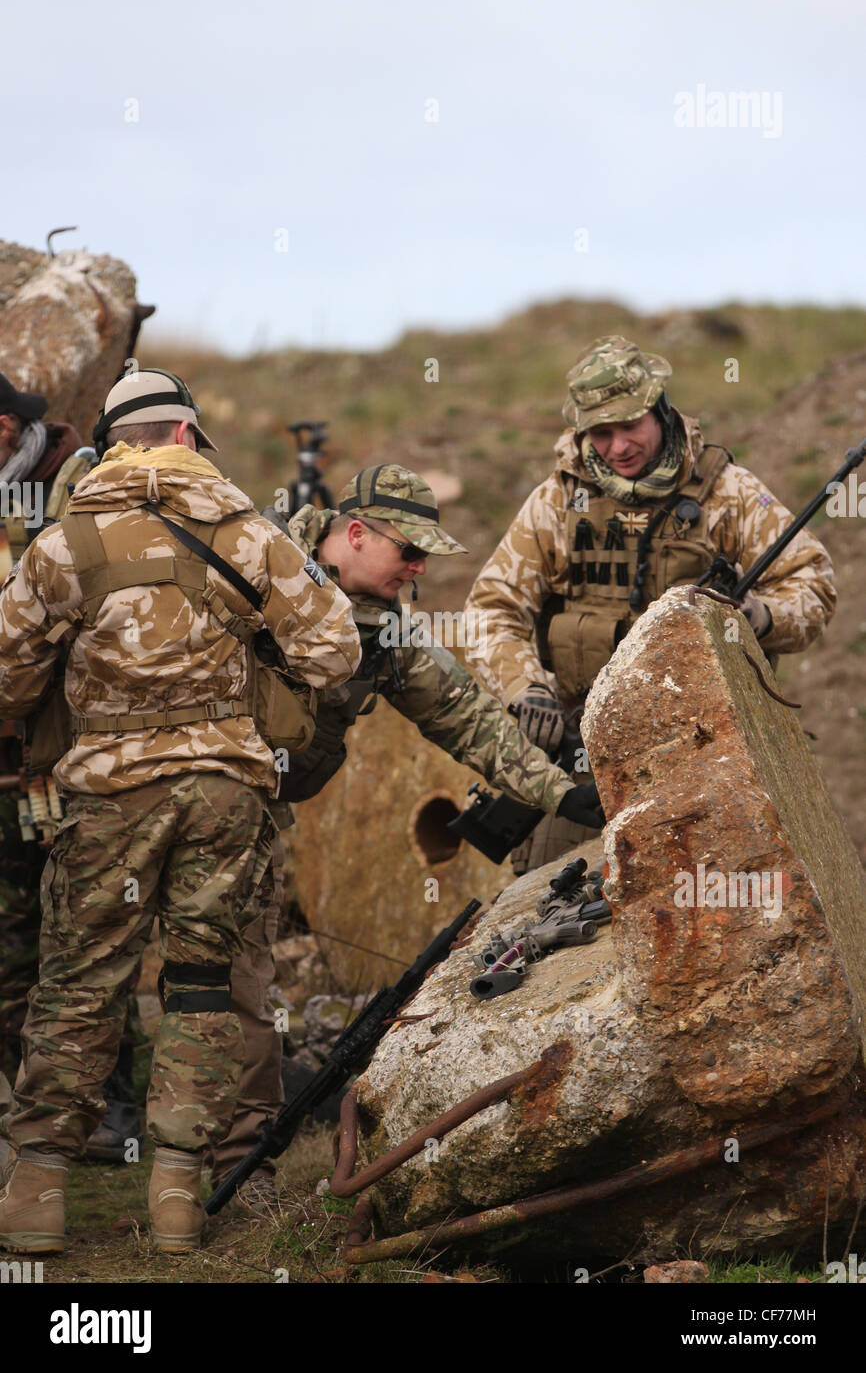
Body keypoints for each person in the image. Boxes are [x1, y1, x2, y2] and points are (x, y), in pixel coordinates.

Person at [0, 369, 361, 1254]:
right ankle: (177, 1198)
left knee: (81, 985)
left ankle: (38, 1192)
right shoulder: (250, 532)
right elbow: (336, 651)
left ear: (115, 443)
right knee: (200, 988)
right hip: (226, 791)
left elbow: (5, 672)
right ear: (188, 436)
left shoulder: (63, 541)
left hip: (107, 796)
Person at [211, 464, 603, 1210]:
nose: (420, 569)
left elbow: (466, 717)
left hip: (257, 815)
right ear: (355, 534)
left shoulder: (386, 631)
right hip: (161, 792)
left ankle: (240, 1167)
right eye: (410, 552)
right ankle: (59, 1155)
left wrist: (561, 793)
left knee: (242, 988)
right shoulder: (247, 565)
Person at [463, 335, 836, 872]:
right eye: (602, 432)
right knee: (557, 902)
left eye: (630, 426)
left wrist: (760, 616)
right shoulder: (556, 502)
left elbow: (812, 583)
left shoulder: (727, 493)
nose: (618, 447)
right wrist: (525, 689)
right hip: (583, 753)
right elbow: (490, 610)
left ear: (659, 410)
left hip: (705, 746)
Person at [0, 370, 142, 1152]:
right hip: (9, 757)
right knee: (14, 954)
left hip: (68, 759)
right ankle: (39, 1116)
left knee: (84, 945)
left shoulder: (77, 484)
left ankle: (110, 1112)